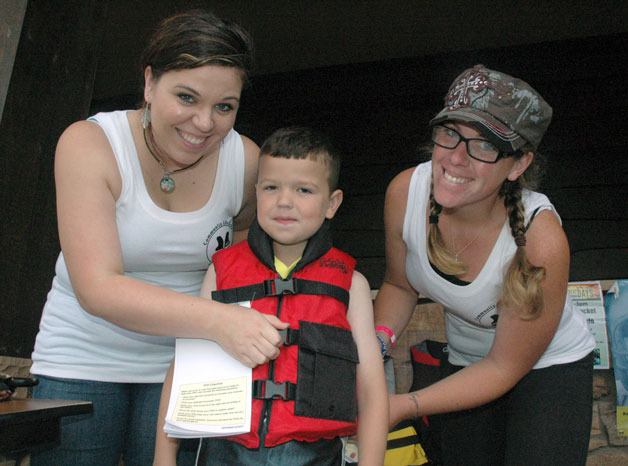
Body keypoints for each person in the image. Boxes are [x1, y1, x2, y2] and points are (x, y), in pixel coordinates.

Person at [29, 11, 287, 466]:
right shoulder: (90, 144)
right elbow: (97, 287)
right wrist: (222, 320)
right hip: (81, 359)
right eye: (186, 97)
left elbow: (246, 241)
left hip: (189, 362)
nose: (204, 123)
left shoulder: (244, 160)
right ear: (149, 83)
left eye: (224, 107)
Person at [373, 65, 595, 466]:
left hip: (549, 367)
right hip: (467, 362)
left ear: (518, 164)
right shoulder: (405, 193)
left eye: (485, 145)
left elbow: (503, 367)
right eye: (450, 133)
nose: (457, 158)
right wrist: (378, 344)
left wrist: (405, 404)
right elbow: (399, 286)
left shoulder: (540, 240)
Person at [154, 126, 388, 466]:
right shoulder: (221, 271)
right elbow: (185, 366)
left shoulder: (351, 284)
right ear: (256, 193)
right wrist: (163, 457)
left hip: (315, 456)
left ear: (331, 204)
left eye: (303, 190)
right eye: (271, 187)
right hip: (225, 452)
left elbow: (371, 388)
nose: (284, 201)